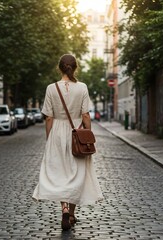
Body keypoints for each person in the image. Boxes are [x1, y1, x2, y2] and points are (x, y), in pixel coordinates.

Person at [32, 54, 104, 231]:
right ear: (75, 68)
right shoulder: (82, 88)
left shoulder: (51, 88)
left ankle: (63, 208)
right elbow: (86, 115)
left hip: (57, 132)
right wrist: (88, 136)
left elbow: (48, 117)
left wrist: (49, 138)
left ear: (59, 68)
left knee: (60, 172)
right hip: (77, 133)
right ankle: (71, 213)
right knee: (76, 172)